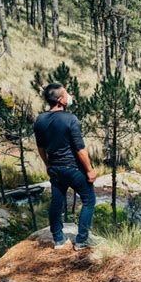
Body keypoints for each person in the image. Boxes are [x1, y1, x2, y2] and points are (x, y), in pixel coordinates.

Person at [34, 83, 97, 250]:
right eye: (67, 94)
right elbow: (80, 149)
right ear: (61, 100)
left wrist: (48, 164)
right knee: (89, 200)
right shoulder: (70, 119)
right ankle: (81, 241)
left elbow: (40, 148)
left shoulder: (39, 120)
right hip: (73, 169)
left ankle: (59, 240)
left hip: (55, 169)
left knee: (57, 201)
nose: (70, 96)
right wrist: (90, 170)